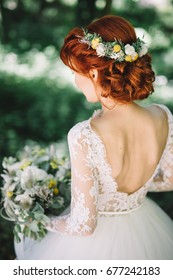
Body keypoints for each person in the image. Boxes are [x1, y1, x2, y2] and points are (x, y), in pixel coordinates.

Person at [15, 15, 173, 260]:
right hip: (146, 229)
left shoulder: (84, 135)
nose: (75, 81)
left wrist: (37, 218)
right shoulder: (163, 116)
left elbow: (83, 226)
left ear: (94, 73)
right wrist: (133, 189)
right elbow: (170, 180)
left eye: (75, 72)